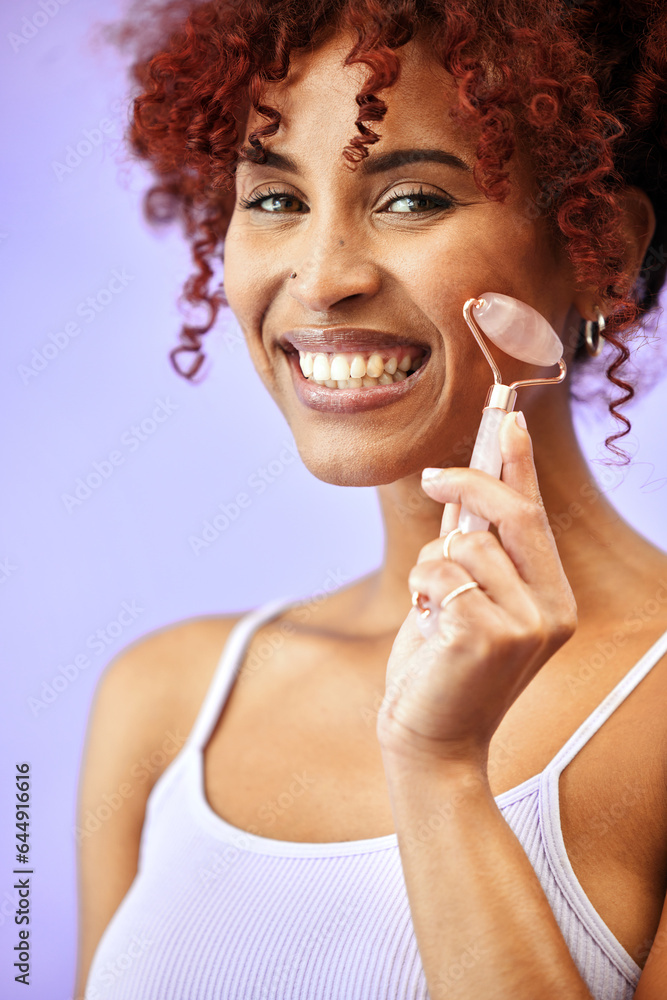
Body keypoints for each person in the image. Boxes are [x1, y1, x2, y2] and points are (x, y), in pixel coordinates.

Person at [75, 1, 667, 997]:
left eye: (411, 200)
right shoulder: (166, 701)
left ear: (595, 244)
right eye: (273, 199)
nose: (322, 277)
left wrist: (439, 772)